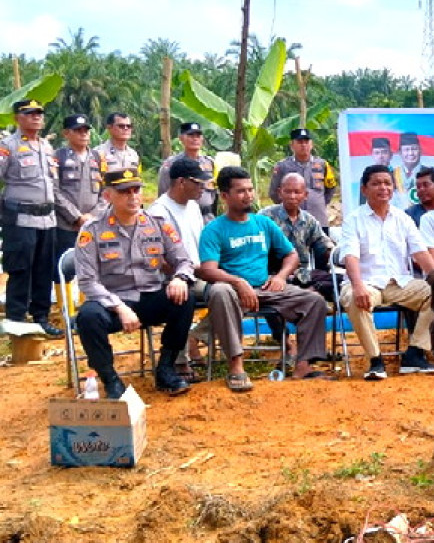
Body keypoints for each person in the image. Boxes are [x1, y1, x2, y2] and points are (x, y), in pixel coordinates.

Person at [197, 166, 328, 391]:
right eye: (240, 191)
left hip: (267, 288)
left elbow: (291, 255)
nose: (248, 195)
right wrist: (237, 282)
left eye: (250, 190)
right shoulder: (214, 229)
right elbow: (207, 269)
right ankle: (236, 366)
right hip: (233, 292)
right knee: (219, 291)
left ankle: (303, 366)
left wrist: (280, 277)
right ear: (225, 196)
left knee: (314, 301)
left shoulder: (263, 223)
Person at [74, 169, 195, 397]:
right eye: (124, 192)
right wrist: (119, 307)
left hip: (149, 296)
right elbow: (88, 281)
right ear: (108, 196)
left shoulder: (158, 223)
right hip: (111, 302)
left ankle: (166, 368)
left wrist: (179, 277)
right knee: (88, 317)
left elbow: (184, 260)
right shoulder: (92, 230)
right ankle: (110, 380)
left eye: (136, 190)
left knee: (184, 298)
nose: (133, 197)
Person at [338, 164, 434, 381]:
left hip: (399, 283)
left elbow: (420, 252)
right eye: (376, 183)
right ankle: (375, 360)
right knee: (351, 297)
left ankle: (414, 353)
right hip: (366, 282)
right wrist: (357, 286)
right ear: (364, 189)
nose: (383, 188)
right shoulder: (354, 219)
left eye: (387, 183)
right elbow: (350, 257)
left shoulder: (402, 218)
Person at [0, 99, 62, 337]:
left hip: (47, 218)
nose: (36, 117)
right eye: (30, 113)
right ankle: (16, 319)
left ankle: (41, 317)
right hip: (20, 218)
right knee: (21, 268)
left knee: (43, 269)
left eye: (39, 113)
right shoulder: (9, 146)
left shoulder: (46, 146)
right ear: (17, 118)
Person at [148, 157, 211, 381]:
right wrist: (182, 275)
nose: (203, 188)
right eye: (198, 183)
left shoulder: (194, 207)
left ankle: (196, 336)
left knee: (236, 290)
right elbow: (159, 258)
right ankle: (179, 360)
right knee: (192, 296)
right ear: (181, 182)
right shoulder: (159, 211)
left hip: (198, 272)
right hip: (171, 278)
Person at [260, 173, 334, 299]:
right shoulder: (265, 217)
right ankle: (308, 296)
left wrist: (340, 255)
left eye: (297, 192)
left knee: (341, 281)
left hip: (303, 276)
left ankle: (309, 294)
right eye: (287, 192)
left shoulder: (309, 220)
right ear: (280, 193)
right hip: (275, 276)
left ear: (305, 195)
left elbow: (324, 246)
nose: (292, 196)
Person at [52, 114, 105, 271]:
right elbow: (54, 190)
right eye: (78, 131)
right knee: (63, 269)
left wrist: (93, 215)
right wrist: (76, 217)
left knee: (93, 268)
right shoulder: (57, 157)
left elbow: (106, 191)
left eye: (86, 131)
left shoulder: (98, 157)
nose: (83, 134)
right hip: (66, 225)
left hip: (93, 224)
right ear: (66, 133)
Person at [267, 128, 338, 228]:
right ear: (292, 145)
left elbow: (331, 188)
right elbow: (274, 192)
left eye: (306, 142)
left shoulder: (323, 165)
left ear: (311, 144)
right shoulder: (282, 166)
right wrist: (288, 205)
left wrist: (319, 203)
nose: (304, 145)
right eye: (300, 142)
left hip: (319, 220)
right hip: (291, 222)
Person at [158, 123, 218, 221]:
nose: (195, 139)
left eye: (198, 136)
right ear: (181, 138)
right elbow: (163, 193)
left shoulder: (210, 163)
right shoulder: (171, 164)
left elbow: (215, 193)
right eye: (191, 135)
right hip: (182, 215)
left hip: (207, 217)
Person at [392, 132, 424, 207]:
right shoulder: (391, 175)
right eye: (406, 150)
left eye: (414, 149)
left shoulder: (431, 174)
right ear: (400, 153)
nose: (410, 153)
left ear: (420, 151)